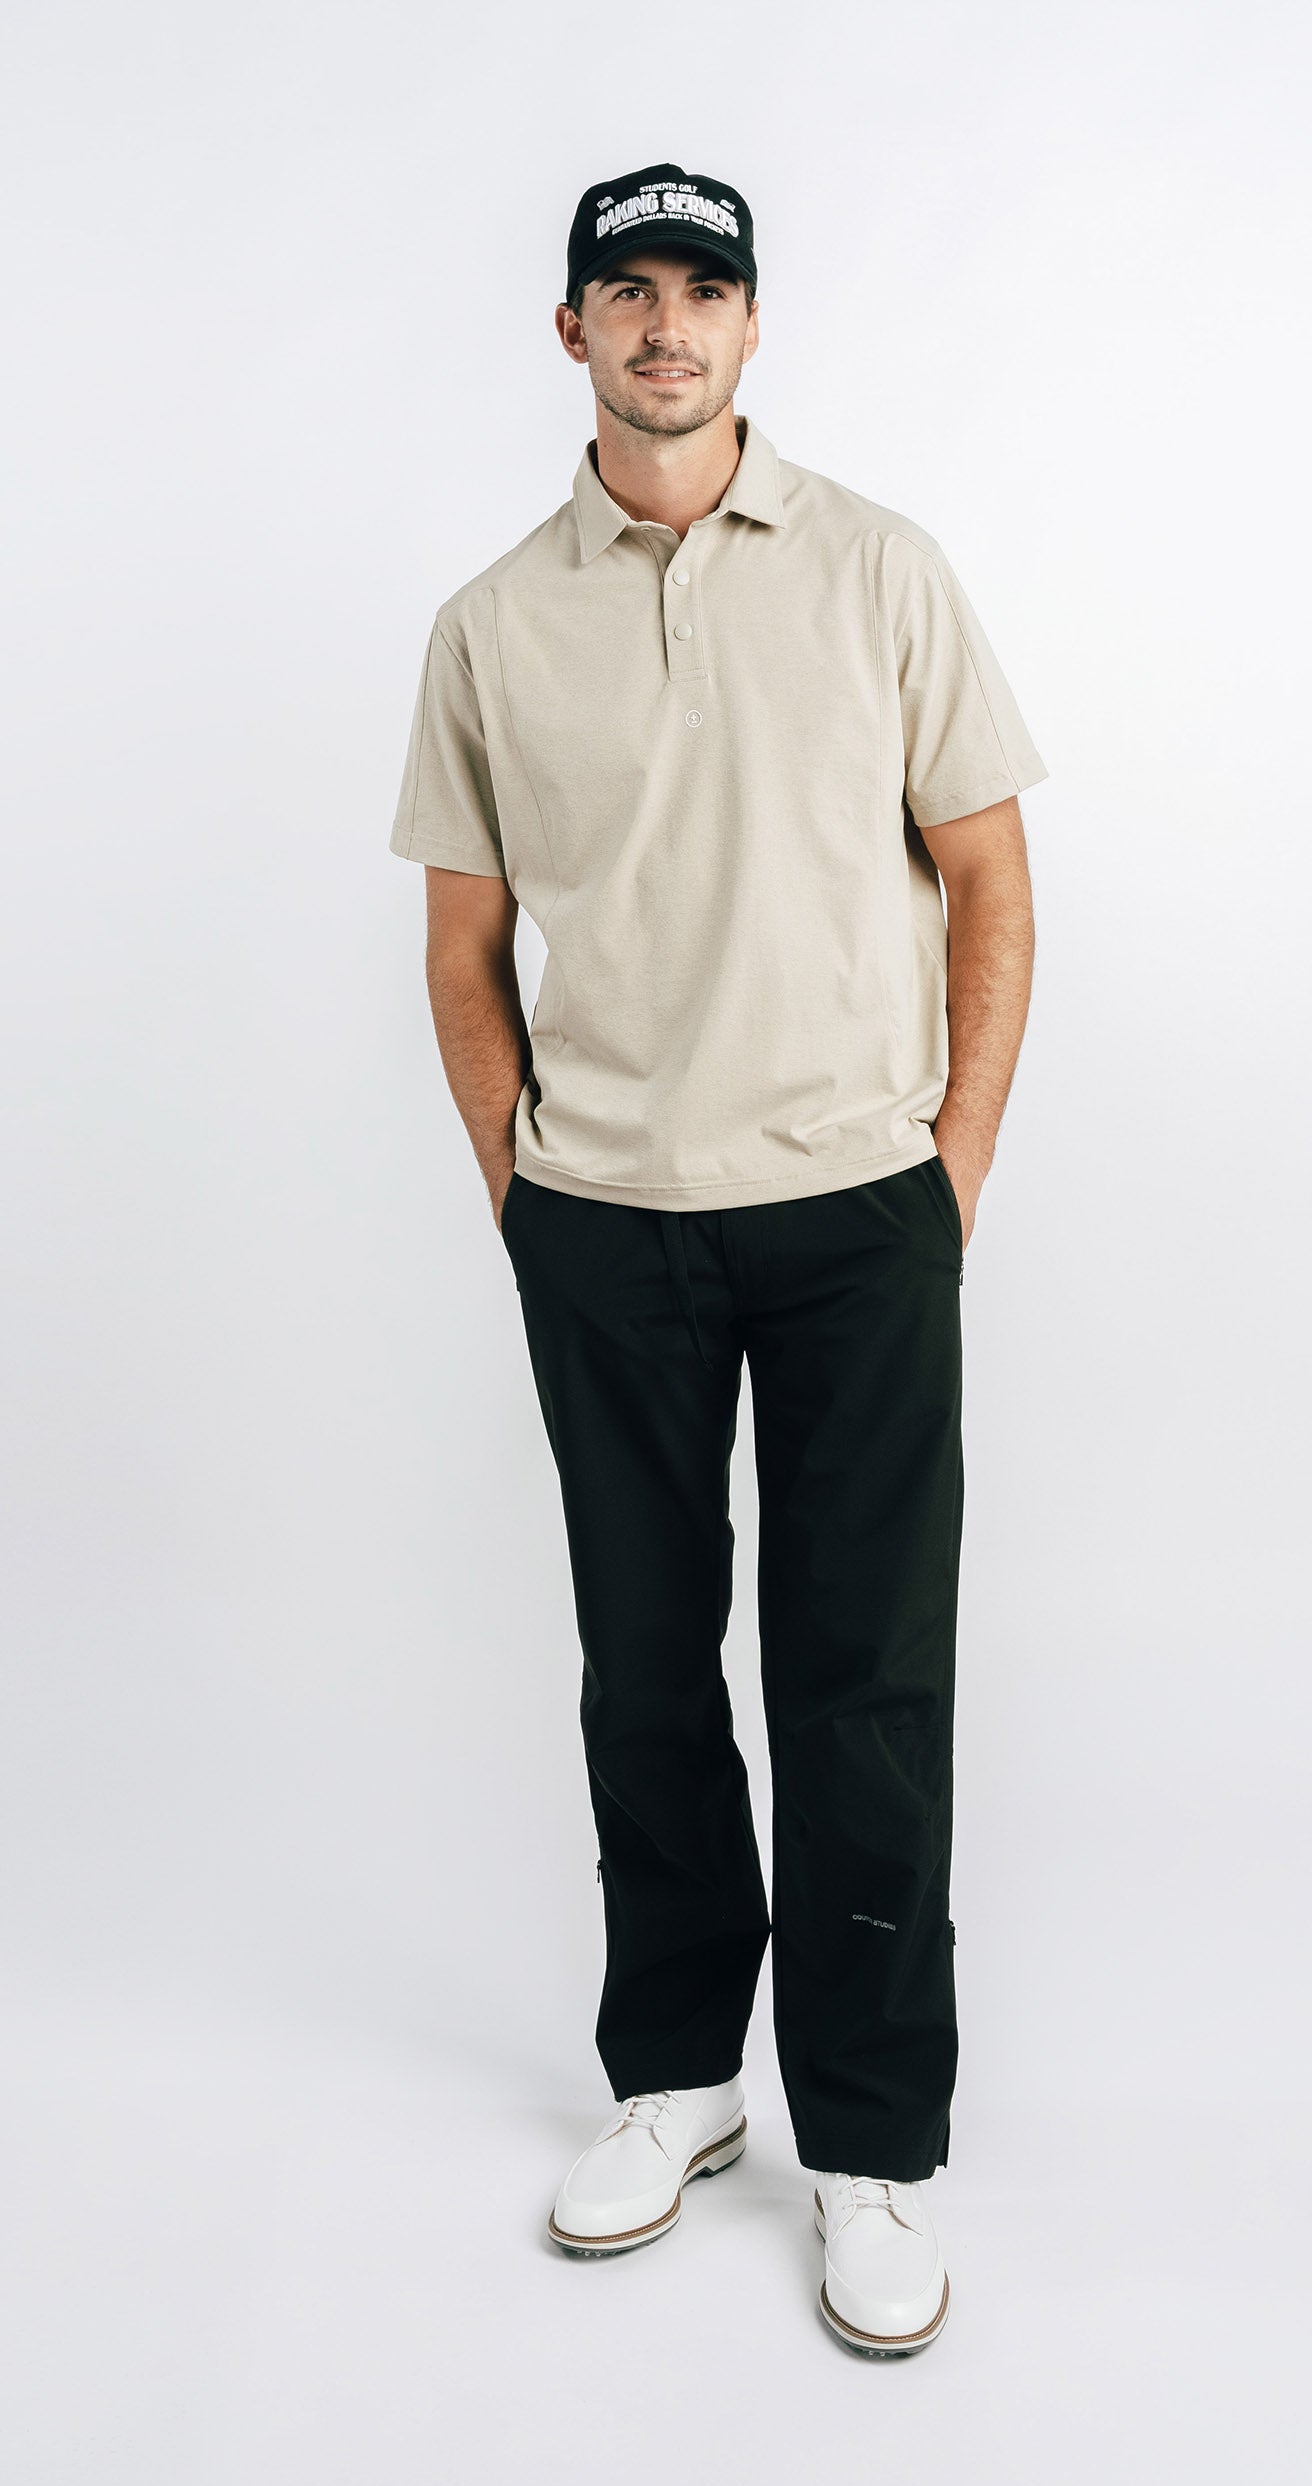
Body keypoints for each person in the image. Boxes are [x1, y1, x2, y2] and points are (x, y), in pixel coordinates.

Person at [390, 162, 1044, 2358]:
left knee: (863, 1680)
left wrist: (944, 1170)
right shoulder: (492, 623)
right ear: (568, 333)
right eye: (625, 290)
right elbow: (462, 943)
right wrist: (522, 1189)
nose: (665, 324)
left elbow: (987, 878)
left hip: (857, 1210)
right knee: (646, 1666)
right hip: (607, 1223)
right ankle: (677, 2079)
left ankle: (871, 2141)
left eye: (703, 288)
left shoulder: (878, 573)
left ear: (754, 329)